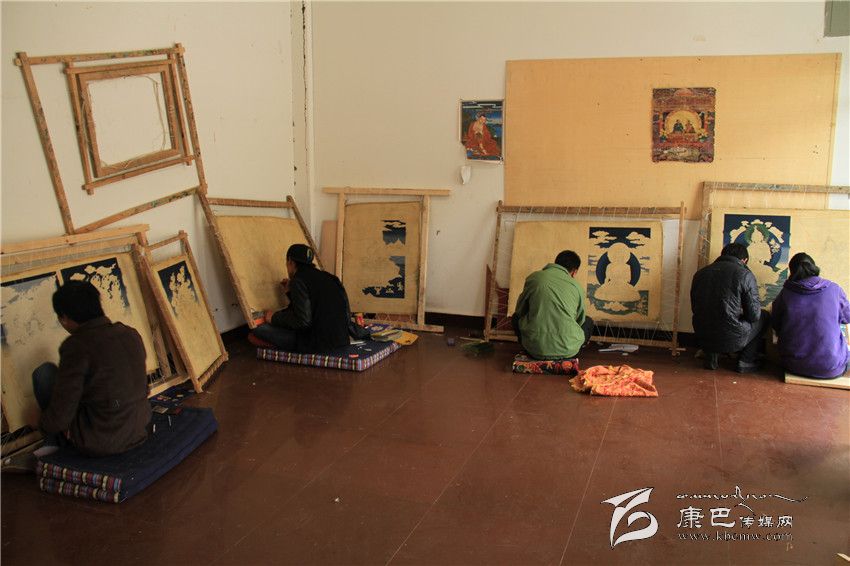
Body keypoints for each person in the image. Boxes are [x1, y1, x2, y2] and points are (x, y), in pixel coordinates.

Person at [33, 280, 151, 456]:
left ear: (64, 318)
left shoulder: (76, 346)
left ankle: (54, 443)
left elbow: (62, 412)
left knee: (44, 373)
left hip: (103, 439)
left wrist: (42, 426)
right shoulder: (129, 333)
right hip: (139, 428)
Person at [252, 244, 369, 352]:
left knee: (259, 330)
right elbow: (316, 306)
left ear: (291, 262)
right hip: (341, 340)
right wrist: (290, 293)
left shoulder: (298, 280)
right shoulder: (330, 277)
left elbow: (303, 322)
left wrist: (274, 317)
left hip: (317, 344)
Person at [690, 243, 770, 373]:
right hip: (732, 338)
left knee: (710, 315)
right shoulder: (745, 275)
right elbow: (754, 315)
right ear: (744, 260)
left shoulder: (700, 273)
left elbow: (696, 308)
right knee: (764, 316)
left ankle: (711, 358)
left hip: (702, 335)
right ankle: (746, 360)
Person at [771, 253, 850, 378]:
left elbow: (775, 324)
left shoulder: (785, 293)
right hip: (831, 367)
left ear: (792, 271)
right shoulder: (834, 289)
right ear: (813, 267)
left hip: (793, 364)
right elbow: (847, 317)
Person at [512, 250, 594, 359]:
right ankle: (571, 350)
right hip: (568, 349)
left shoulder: (534, 278)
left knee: (515, 317)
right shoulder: (577, 286)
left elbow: (520, 310)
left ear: (556, 263)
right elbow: (579, 320)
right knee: (588, 321)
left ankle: (529, 346)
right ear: (574, 272)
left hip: (534, 349)